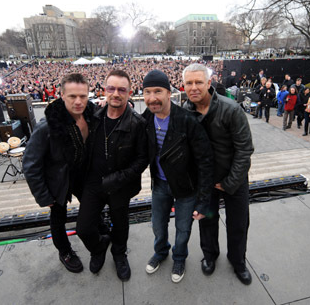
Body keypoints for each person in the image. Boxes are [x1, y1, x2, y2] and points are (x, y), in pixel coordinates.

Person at [182, 63, 254, 286]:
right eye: (189, 83)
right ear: (183, 85)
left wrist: (230, 182)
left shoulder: (231, 109)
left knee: (238, 224)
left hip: (234, 180)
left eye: (198, 82)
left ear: (208, 83)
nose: (194, 87)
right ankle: (209, 256)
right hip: (206, 183)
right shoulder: (184, 112)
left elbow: (245, 148)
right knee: (207, 223)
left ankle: (237, 260)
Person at [141, 69, 213, 283]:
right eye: (147, 92)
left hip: (186, 188)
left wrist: (203, 200)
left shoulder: (187, 120)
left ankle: (179, 258)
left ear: (169, 93)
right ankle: (161, 252)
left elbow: (205, 162)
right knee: (157, 224)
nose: (152, 98)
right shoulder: (145, 119)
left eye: (158, 91)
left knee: (183, 229)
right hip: (160, 185)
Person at [76, 70, 148, 282]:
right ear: (104, 90)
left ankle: (119, 253)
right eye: (111, 88)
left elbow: (142, 160)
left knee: (121, 223)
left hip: (120, 184)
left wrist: (117, 179)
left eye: (121, 89)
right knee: (84, 228)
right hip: (93, 183)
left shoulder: (137, 123)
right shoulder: (94, 116)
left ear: (130, 93)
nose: (116, 93)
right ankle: (99, 248)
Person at [23, 73, 95, 274]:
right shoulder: (47, 127)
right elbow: (30, 164)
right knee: (58, 218)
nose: (78, 101)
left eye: (83, 96)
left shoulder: (92, 115)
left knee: (93, 207)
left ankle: (97, 232)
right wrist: (43, 195)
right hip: (57, 181)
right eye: (72, 96)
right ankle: (64, 251)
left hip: (83, 176)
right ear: (61, 95)